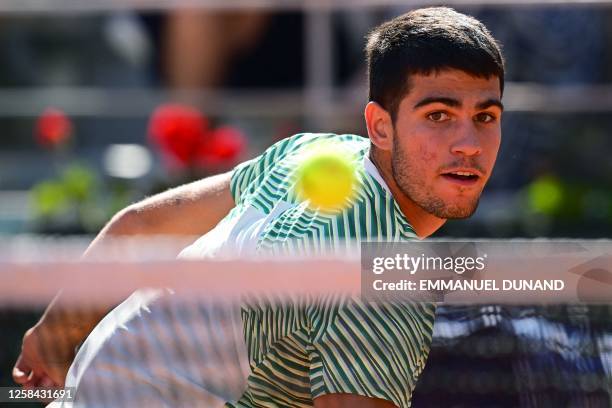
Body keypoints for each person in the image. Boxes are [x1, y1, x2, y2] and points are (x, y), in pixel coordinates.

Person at [13, 7, 504, 407]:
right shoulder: (381, 272)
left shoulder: (313, 152)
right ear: (379, 125)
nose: (468, 144)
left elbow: (140, 226)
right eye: (438, 115)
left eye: (485, 116)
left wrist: (51, 339)